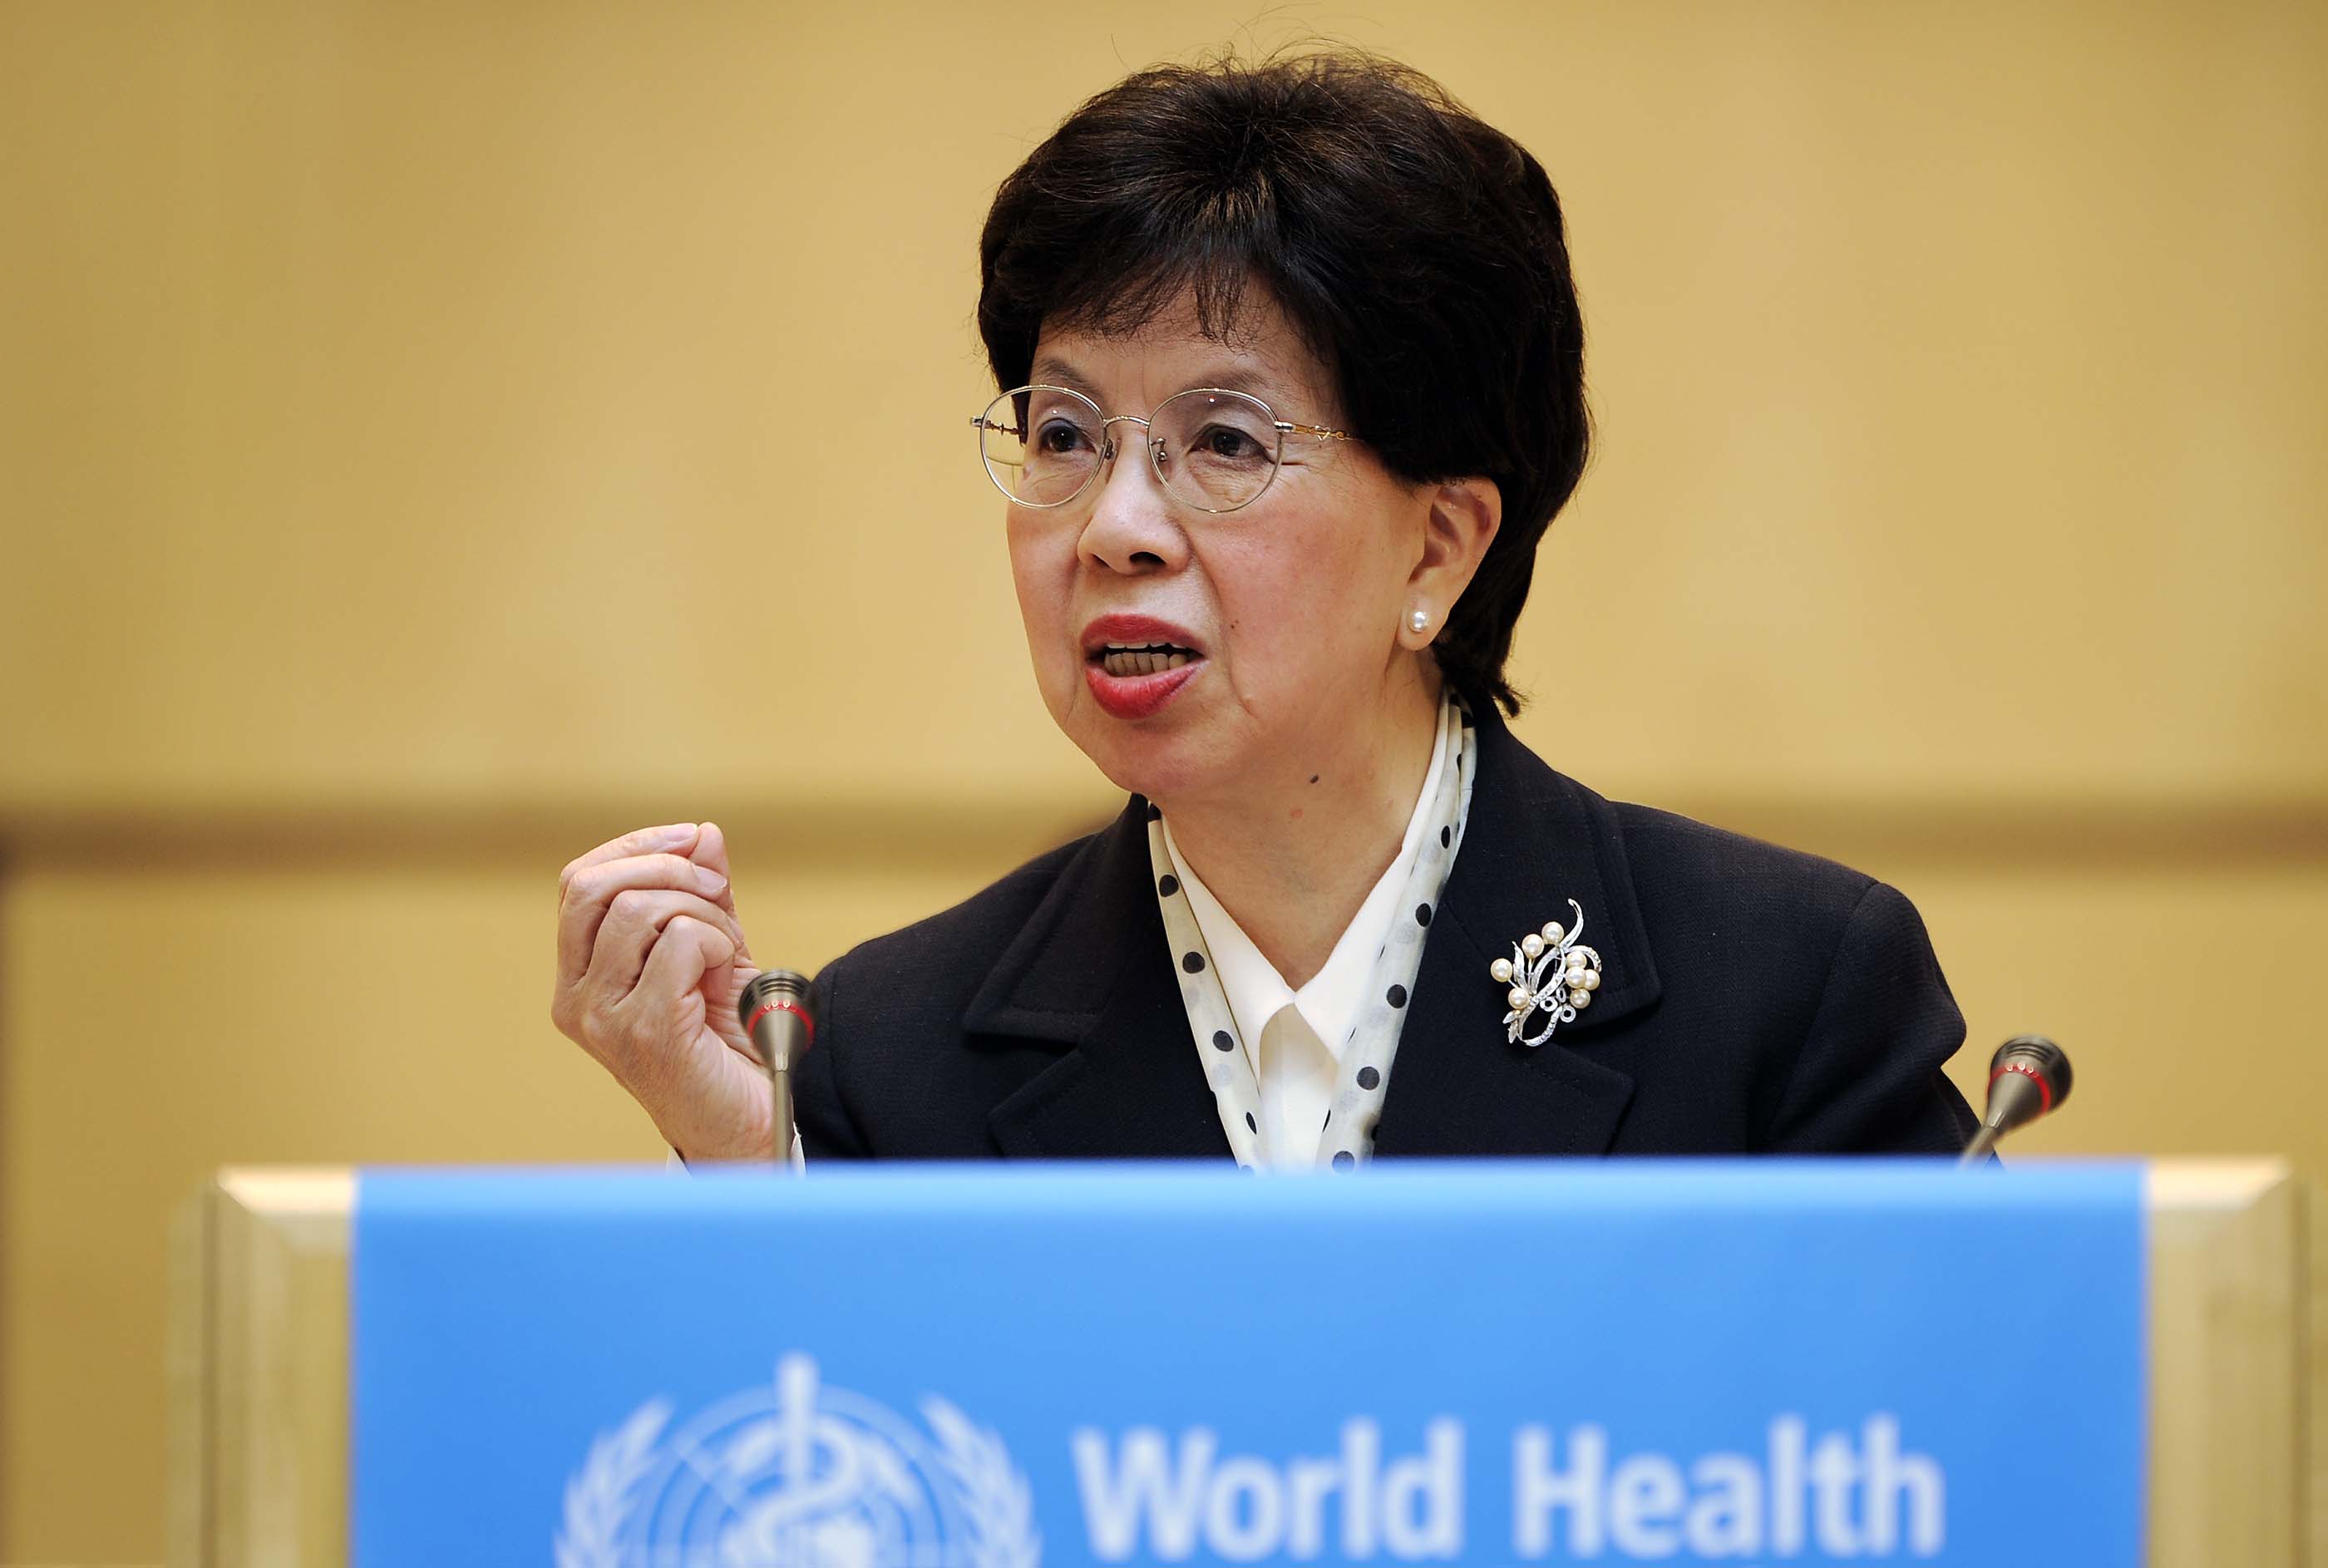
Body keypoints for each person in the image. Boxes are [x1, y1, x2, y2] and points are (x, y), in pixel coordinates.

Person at [550, 51, 1980, 1166]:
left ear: (1438, 547)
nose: (1114, 526)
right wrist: (755, 1176)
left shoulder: (1784, 1003)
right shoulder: (879, 1057)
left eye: (1224, 442)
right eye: (1064, 434)